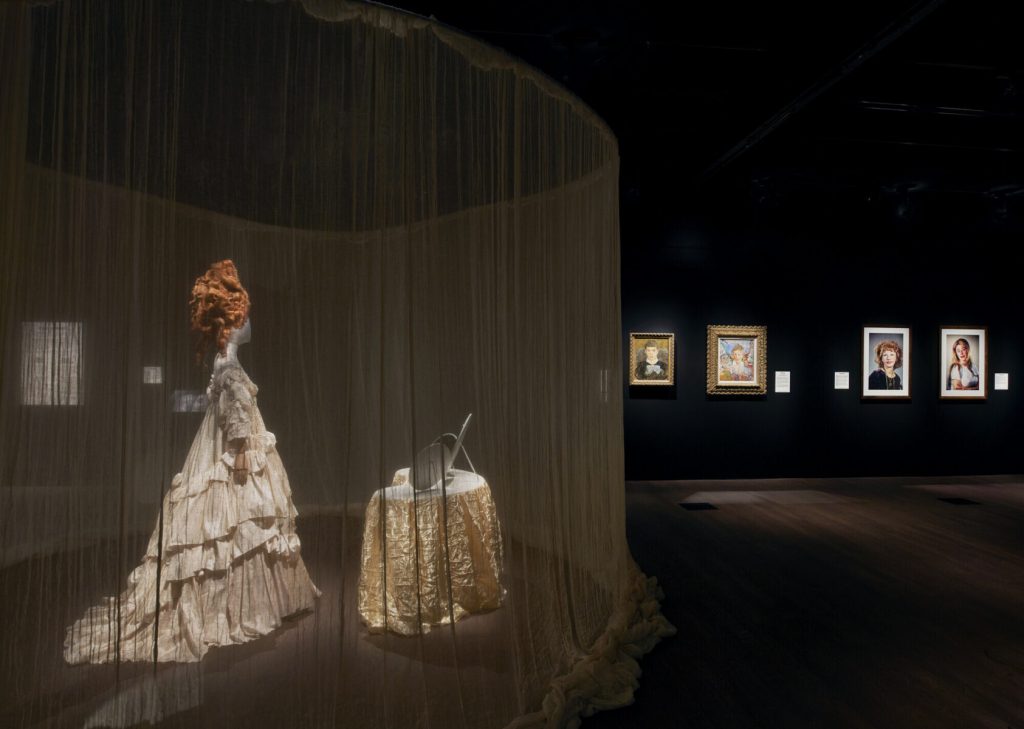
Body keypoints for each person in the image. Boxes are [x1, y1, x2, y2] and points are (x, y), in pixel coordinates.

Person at [64, 260, 320, 663]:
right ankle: (235, 609)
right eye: (245, 317)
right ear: (233, 323)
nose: (250, 324)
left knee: (229, 536)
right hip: (235, 460)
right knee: (234, 532)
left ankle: (248, 601)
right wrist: (244, 467)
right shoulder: (231, 369)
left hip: (225, 455)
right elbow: (236, 428)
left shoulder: (222, 365)